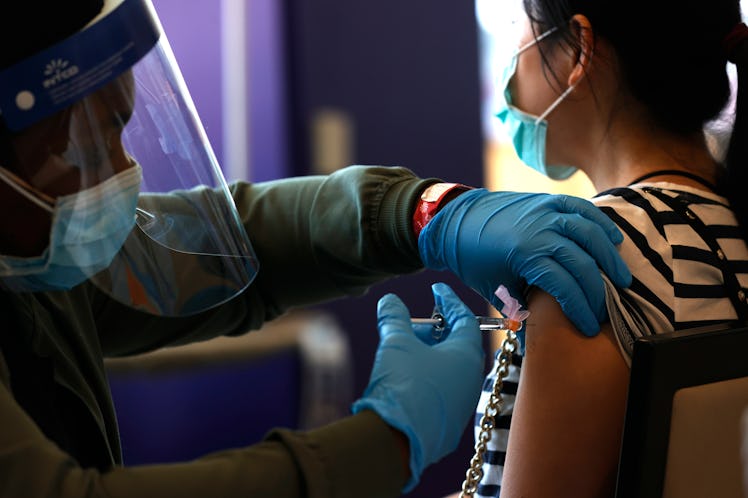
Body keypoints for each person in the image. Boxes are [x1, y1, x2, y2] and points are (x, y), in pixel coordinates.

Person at [0, 1, 633, 497]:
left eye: (120, 131)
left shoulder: (27, 255)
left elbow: (211, 247)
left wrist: (421, 212)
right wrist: (385, 441)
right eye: (81, 148)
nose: (122, 171)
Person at [439, 0, 748, 496]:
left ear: (578, 50)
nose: (510, 52)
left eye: (520, 23)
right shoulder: (731, 221)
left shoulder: (592, 253)